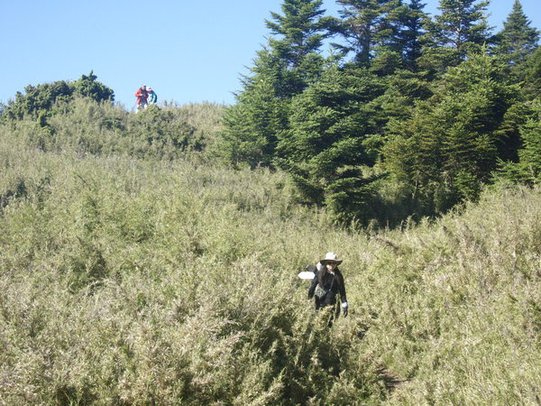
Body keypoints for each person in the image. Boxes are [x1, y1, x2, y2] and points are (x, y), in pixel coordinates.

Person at [308, 252, 348, 322]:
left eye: (334, 263)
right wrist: (309, 298)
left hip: (333, 298)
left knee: (331, 320)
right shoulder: (320, 273)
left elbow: (342, 291)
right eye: (329, 263)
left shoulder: (338, 276)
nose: (331, 265)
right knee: (318, 317)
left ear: (336, 264)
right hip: (320, 294)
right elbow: (313, 285)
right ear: (326, 263)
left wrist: (344, 304)